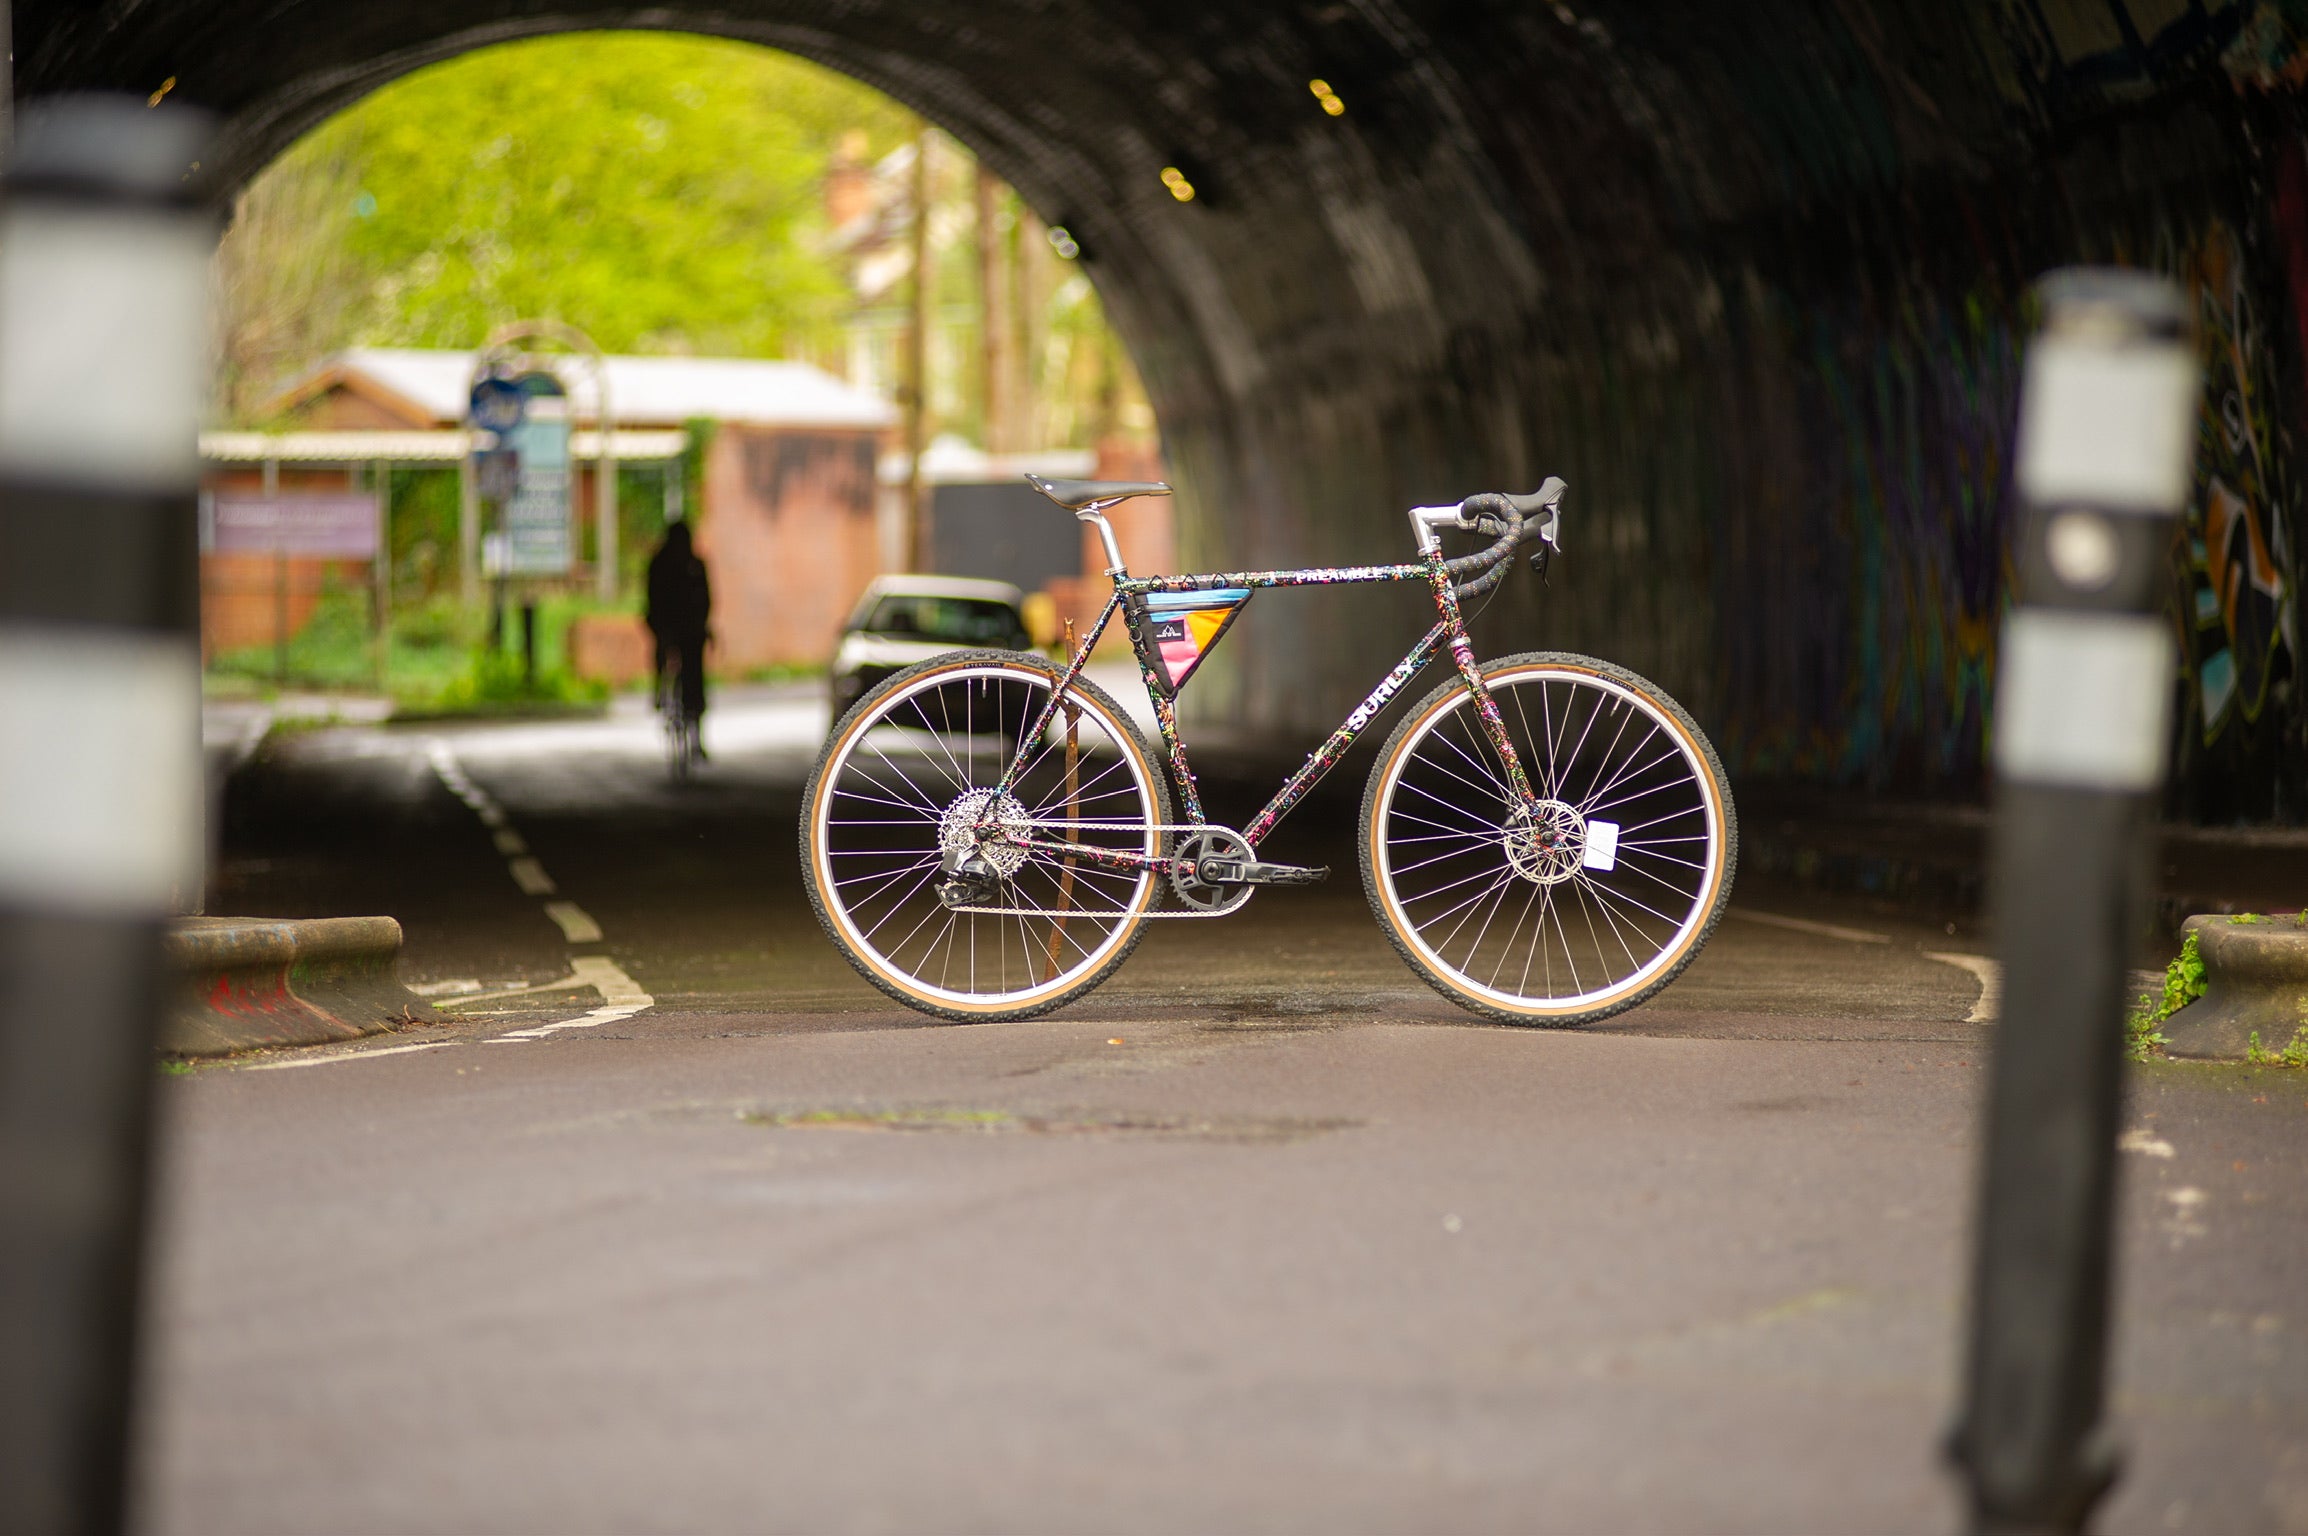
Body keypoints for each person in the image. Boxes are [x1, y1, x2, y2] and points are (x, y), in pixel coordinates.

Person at [645, 520, 712, 755]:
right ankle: (660, 690)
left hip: (688, 626)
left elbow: (705, 600)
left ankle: (695, 728)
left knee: (693, 672)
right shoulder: (665, 564)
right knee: (668, 653)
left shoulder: (691, 564)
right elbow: (654, 598)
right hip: (670, 623)